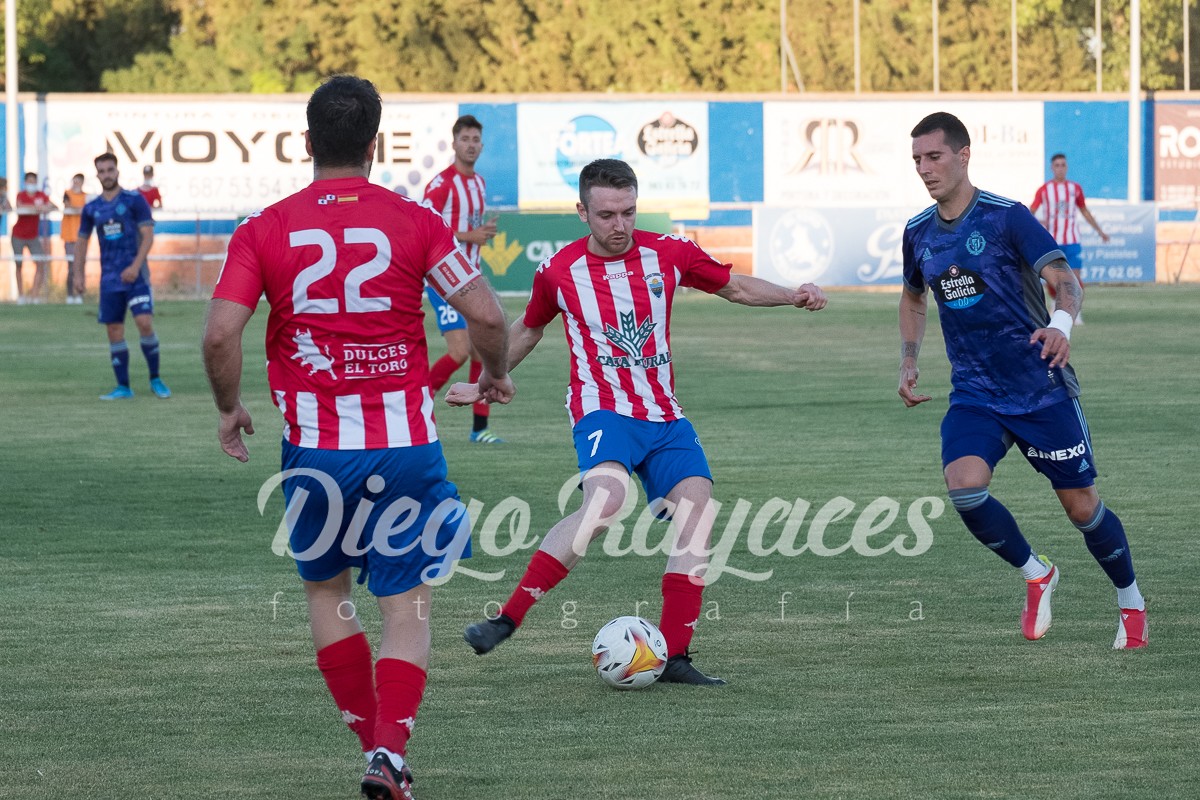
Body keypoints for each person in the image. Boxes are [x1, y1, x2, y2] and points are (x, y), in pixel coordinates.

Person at [202, 75, 513, 800]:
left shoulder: (264, 227)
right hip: (405, 446)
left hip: (314, 452)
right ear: (376, 145)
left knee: (327, 593)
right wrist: (494, 375)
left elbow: (221, 332)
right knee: (405, 609)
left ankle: (377, 749)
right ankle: (390, 752)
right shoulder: (415, 221)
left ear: (307, 143)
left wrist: (228, 406)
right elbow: (489, 317)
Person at [456, 158, 827, 685]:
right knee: (604, 502)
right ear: (582, 211)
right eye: (607, 214)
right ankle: (507, 618)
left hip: (664, 413)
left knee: (698, 512)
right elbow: (529, 329)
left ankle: (674, 655)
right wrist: (487, 381)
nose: (619, 225)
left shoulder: (669, 253)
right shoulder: (559, 272)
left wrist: (792, 295)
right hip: (602, 409)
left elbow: (735, 287)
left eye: (628, 212)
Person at [898, 112, 1146, 650]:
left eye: (934, 156)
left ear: (964, 155)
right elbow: (913, 297)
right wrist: (909, 358)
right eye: (917, 159)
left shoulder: (1008, 218)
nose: (924, 168)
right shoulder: (917, 232)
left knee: (1082, 508)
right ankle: (1037, 572)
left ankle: (1131, 601)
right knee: (964, 487)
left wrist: (1060, 327)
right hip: (976, 393)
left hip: (1040, 387)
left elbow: (1065, 280)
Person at [422, 114, 503, 443]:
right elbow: (424, 227)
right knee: (458, 351)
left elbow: (471, 233)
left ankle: (480, 430)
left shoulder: (479, 183)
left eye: (475, 140)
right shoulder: (442, 183)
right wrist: (471, 235)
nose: (470, 145)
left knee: (480, 355)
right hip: (444, 280)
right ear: (454, 143)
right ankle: (413, 405)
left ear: (481, 146)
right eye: (464, 139)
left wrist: (477, 237)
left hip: (470, 279)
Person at [73, 154, 171, 400]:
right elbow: (82, 243)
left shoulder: (134, 201)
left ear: (117, 171)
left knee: (144, 323)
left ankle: (155, 379)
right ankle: (123, 387)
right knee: (114, 331)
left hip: (136, 277)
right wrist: (78, 274)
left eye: (110, 169)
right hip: (110, 280)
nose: (107, 174)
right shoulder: (91, 208)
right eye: (102, 171)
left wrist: (136, 267)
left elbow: (148, 236)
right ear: (97, 175)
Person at [1029, 153, 1109, 323]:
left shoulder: (1075, 188)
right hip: (1053, 242)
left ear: (1067, 167)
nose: (1060, 168)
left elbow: (1084, 211)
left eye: (1063, 165)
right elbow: (1031, 212)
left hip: (1072, 240)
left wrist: (1099, 231)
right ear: (1052, 168)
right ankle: (1055, 306)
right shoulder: (1044, 190)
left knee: (1074, 277)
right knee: (1053, 279)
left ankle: (1076, 312)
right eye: (1057, 165)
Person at [13, 172, 57, 304]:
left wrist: (45, 207)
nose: (31, 183)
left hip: (33, 236)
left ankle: (34, 295)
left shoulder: (41, 195)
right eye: (29, 181)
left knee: (40, 262)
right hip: (18, 235)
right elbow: (19, 205)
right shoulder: (21, 195)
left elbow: (54, 206)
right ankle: (21, 296)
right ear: (25, 182)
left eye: (33, 181)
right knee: (18, 265)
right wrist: (37, 207)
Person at [61, 173, 88, 305]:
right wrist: (80, 209)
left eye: (78, 181)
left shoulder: (85, 196)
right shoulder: (67, 193)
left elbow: (87, 210)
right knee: (71, 266)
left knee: (81, 266)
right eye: (74, 181)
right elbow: (67, 205)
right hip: (69, 236)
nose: (76, 184)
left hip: (82, 237)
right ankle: (70, 294)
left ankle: (80, 294)